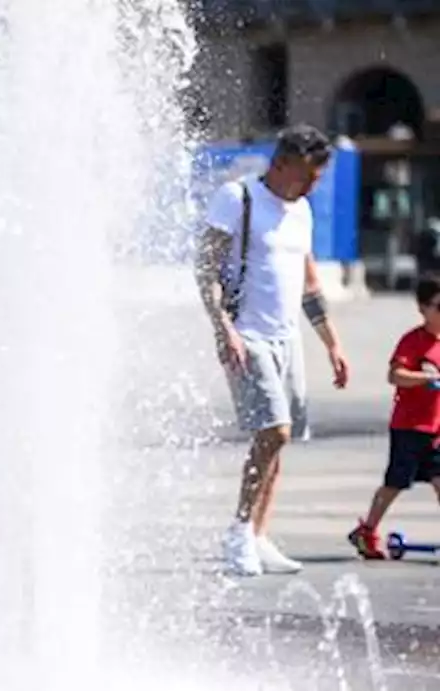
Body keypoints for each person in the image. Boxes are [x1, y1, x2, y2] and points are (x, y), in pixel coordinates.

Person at [194, 124, 351, 577]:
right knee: (274, 432)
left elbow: (309, 284)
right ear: (281, 163)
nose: (314, 183)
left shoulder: (300, 211)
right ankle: (238, 533)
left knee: (280, 444)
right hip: (247, 334)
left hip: (288, 339)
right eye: (308, 173)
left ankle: (259, 536)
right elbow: (205, 267)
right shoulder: (236, 198)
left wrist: (332, 344)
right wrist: (224, 328)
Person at [348, 276, 440, 559]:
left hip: (437, 429)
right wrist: (426, 378)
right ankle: (367, 529)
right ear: (423, 309)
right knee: (395, 482)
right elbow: (395, 375)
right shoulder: (413, 341)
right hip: (409, 428)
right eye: (439, 306)